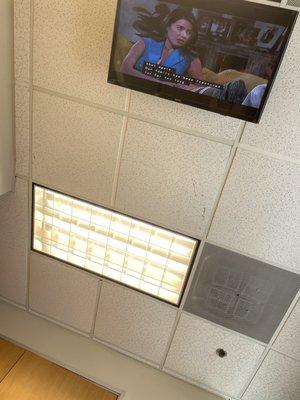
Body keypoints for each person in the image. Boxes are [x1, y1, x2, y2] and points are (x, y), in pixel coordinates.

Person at [121, 6, 203, 85]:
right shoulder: (145, 43)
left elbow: (200, 88)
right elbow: (125, 69)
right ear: (167, 26)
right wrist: (159, 83)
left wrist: (182, 85)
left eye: (188, 32)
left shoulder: (190, 58)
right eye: (180, 28)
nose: (184, 35)